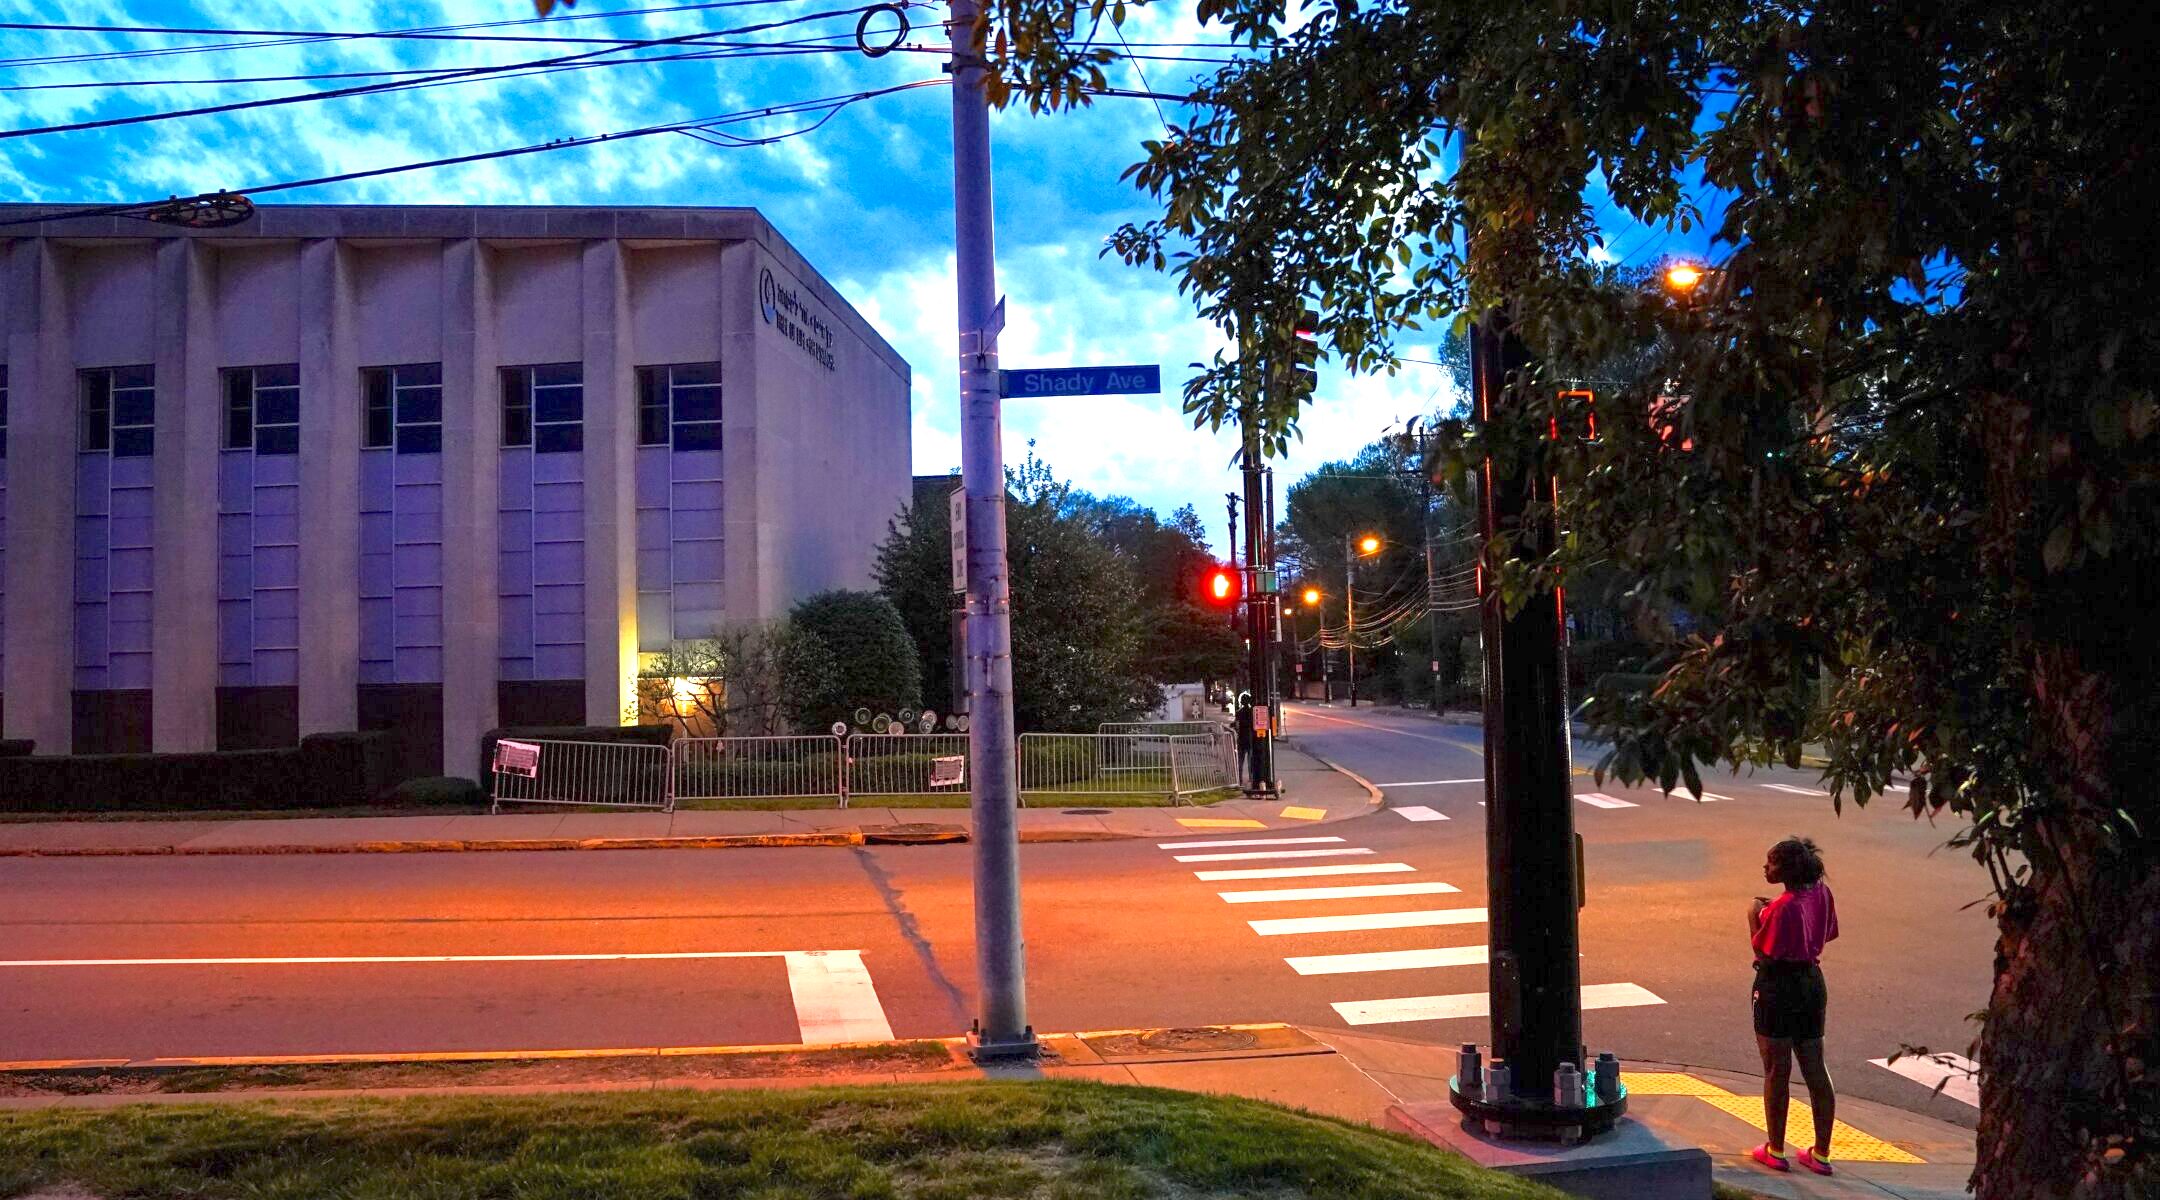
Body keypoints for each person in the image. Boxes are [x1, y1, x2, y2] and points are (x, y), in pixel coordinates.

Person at [1747, 834, 1840, 1176]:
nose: (1765, 867)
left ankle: (1775, 1150)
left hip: (1777, 986)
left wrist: (1755, 914)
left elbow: (1763, 950)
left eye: (1769, 863)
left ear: (1784, 870)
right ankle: (1822, 1153)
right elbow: (1826, 933)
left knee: (1777, 1070)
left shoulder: (1782, 907)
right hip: (1812, 984)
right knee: (1816, 1068)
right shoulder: (1820, 893)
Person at [1233, 693, 1255, 784]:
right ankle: (1251, 779)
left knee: (1240, 762)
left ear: (1241, 702)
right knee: (1251, 762)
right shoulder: (1252, 712)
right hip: (1250, 740)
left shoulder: (1239, 712)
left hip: (1241, 739)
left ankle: (1240, 780)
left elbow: (1237, 726)